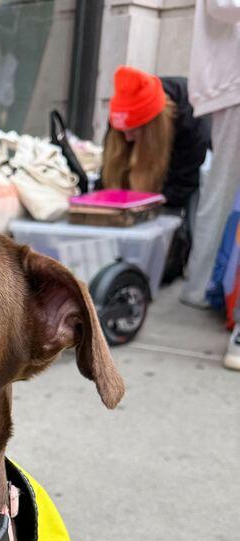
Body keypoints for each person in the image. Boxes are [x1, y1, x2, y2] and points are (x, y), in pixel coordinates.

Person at [180, 0, 240, 327]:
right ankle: (202, 285)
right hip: (233, 90)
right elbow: (222, 6)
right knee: (221, 191)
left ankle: (210, 283)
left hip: (231, 87)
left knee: (222, 191)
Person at [102, 67, 211, 211]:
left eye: (134, 131)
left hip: (191, 162)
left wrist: (154, 202)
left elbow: (184, 182)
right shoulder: (120, 117)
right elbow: (110, 171)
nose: (127, 138)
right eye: (123, 132)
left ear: (151, 128)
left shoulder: (190, 121)